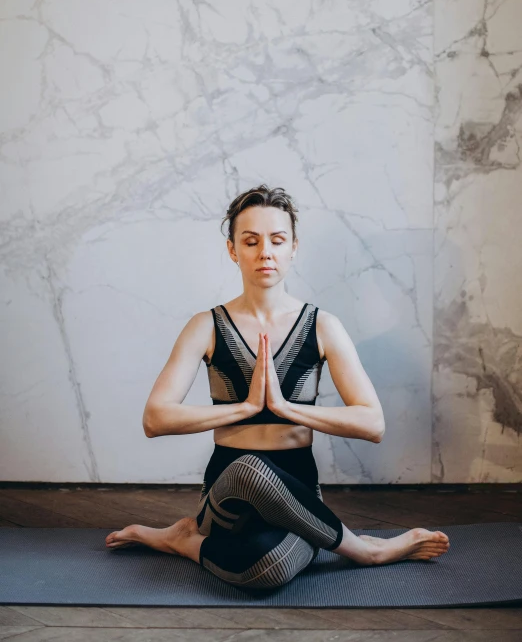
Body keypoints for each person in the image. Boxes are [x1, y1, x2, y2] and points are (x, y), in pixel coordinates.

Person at [106, 184, 449, 589]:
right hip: (227, 494)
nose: (265, 251)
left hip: (301, 497)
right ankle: (367, 549)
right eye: (250, 241)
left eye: (277, 240)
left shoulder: (323, 326)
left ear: (293, 248)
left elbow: (372, 423)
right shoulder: (206, 326)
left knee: (268, 571)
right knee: (251, 469)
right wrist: (246, 408)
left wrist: (285, 408)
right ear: (233, 250)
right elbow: (155, 418)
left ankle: (182, 541)